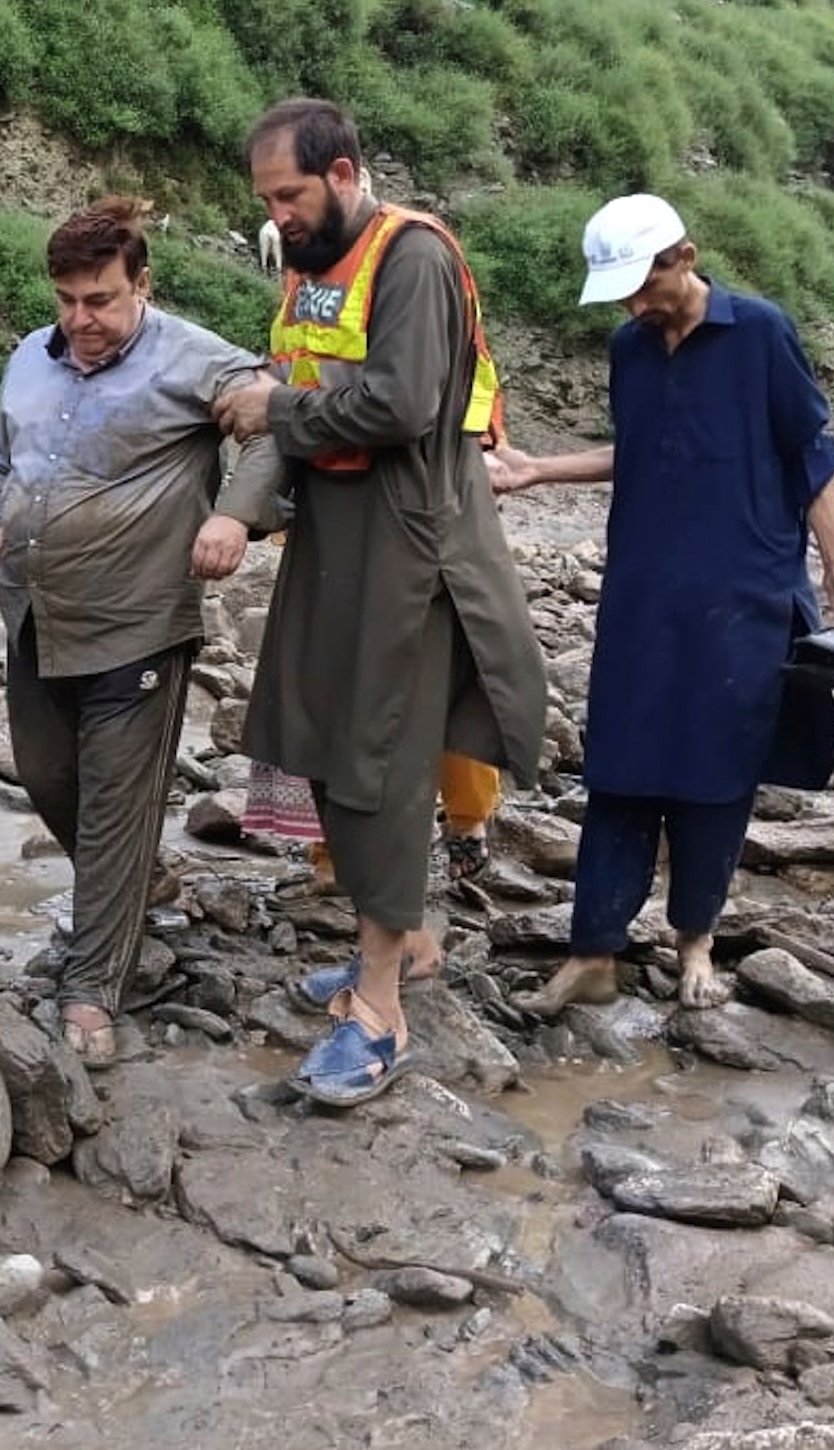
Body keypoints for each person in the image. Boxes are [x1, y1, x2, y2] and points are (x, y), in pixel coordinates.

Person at [214, 100, 547, 1105]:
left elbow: (403, 402)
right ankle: (409, 943)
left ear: (346, 172)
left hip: (412, 551)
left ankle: (381, 1011)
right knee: (321, 735)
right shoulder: (311, 265)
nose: (279, 215)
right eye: (268, 198)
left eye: (292, 193)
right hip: (338, 540)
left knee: (381, 763)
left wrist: (278, 408)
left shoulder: (412, 260)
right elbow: (305, 378)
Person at [486, 193, 834, 1018]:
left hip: (744, 595)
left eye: (644, 285)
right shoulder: (631, 347)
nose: (634, 304)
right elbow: (642, 450)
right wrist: (539, 470)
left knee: (714, 775)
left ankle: (694, 942)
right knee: (620, 771)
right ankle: (592, 951)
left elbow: (812, 450)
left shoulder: (761, 332)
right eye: (623, 291)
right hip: (643, 593)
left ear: (685, 257)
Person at [0, 196, 284, 1068]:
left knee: (114, 807)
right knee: (43, 773)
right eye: (67, 300)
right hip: (36, 608)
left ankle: (92, 991)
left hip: (140, 620)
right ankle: (134, 885)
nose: (81, 320)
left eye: (101, 300)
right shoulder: (30, 361)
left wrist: (234, 517)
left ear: (141, 284)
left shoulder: (195, 358)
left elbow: (275, 431)